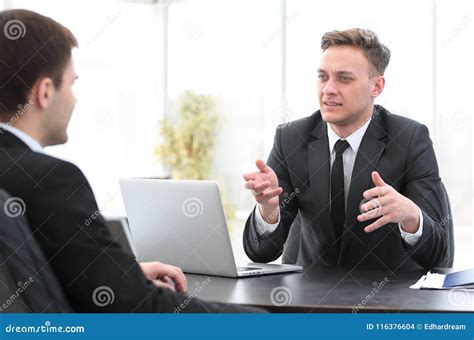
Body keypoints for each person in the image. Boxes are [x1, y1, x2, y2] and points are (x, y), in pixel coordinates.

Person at [0, 9, 259, 313]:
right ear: (44, 92)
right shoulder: (51, 179)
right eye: (71, 84)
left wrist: (122, 273)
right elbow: (130, 305)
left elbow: (38, 275)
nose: (74, 99)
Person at [243, 28, 450, 270]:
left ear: (377, 87)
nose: (328, 89)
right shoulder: (291, 138)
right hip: (309, 297)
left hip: (387, 298)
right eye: (323, 77)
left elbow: (438, 253)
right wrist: (268, 210)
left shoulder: (410, 139)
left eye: (344, 78)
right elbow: (261, 253)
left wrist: (411, 215)